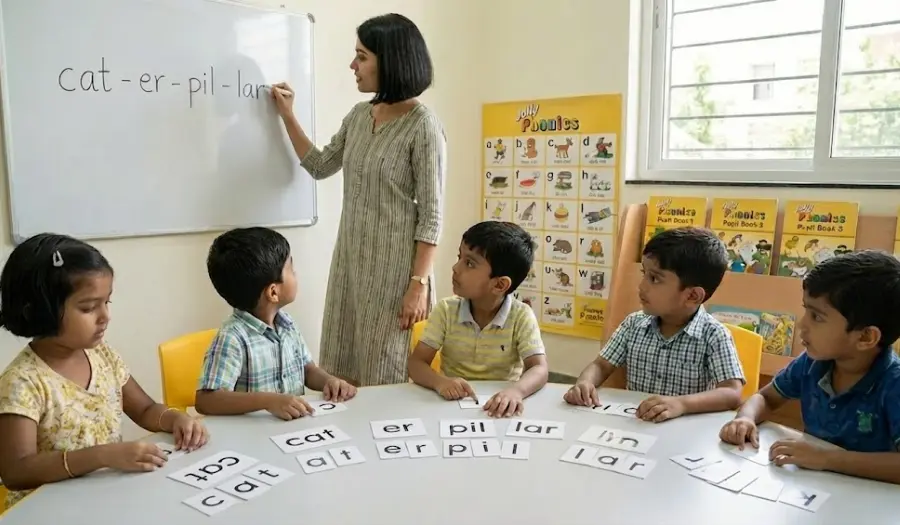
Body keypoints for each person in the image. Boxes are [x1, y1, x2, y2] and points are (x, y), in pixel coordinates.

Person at [269, 14, 446, 387]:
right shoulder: (359, 116)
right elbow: (320, 165)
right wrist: (287, 115)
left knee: (386, 375)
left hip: (395, 273)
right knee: (342, 372)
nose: (353, 65)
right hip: (350, 264)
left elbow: (432, 215)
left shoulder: (422, 125)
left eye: (361, 56)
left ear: (391, 60)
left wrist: (419, 284)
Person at [0, 234, 209, 508]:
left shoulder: (103, 355)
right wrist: (102, 456)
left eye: (106, 302)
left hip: (103, 499)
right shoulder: (22, 383)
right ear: (39, 311)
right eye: (88, 307)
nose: (105, 316)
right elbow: (16, 472)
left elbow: (145, 409)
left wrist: (175, 419)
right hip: (48, 511)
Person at [720, 250, 900, 485]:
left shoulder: (893, 382)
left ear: (866, 337)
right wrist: (746, 417)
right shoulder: (812, 362)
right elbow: (767, 398)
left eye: (817, 317)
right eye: (806, 309)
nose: (802, 325)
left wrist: (829, 459)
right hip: (812, 487)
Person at [564, 227, 745, 423]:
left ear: (692, 296)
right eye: (644, 273)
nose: (641, 285)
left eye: (655, 278)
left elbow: (731, 393)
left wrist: (681, 404)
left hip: (683, 432)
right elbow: (601, 365)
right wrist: (585, 382)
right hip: (636, 426)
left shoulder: (714, 335)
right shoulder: (633, 324)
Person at [195, 227, 356, 420]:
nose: (296, 273)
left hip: (292, 434)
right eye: (291, 269)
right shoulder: (233, 338)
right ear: (273, 292)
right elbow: (206, 400)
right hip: (254, 437)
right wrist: (267, 401)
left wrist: (329, 381)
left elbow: (308, 369)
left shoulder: (287, 325)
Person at [408, 221, 549, 418]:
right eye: (460, 257)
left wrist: (516, 391)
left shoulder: (521, 316)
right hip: (451, 407)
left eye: (469, 263)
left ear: (500, 285)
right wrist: (441, 382)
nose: (455, 268)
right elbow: (416, 364)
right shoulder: (446, 310)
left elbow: (539, 368)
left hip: (499, 408)